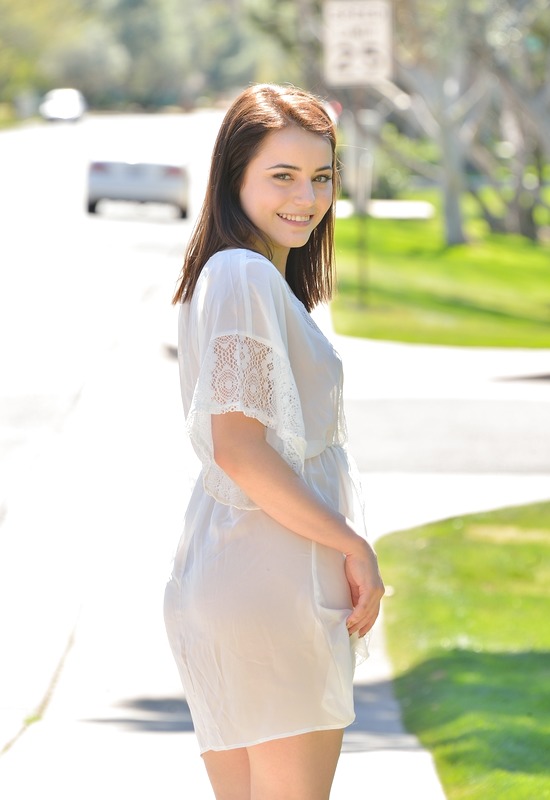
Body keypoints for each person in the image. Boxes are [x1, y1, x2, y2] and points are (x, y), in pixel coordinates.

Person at [164, 83, 385, 800]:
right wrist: (353, 544)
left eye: (321, 177)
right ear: (235, 178)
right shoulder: (241, 273)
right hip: (271, 582)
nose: (308, 197)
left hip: (241, 574)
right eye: (282, 176)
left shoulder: (248, 276)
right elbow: (240, 449)